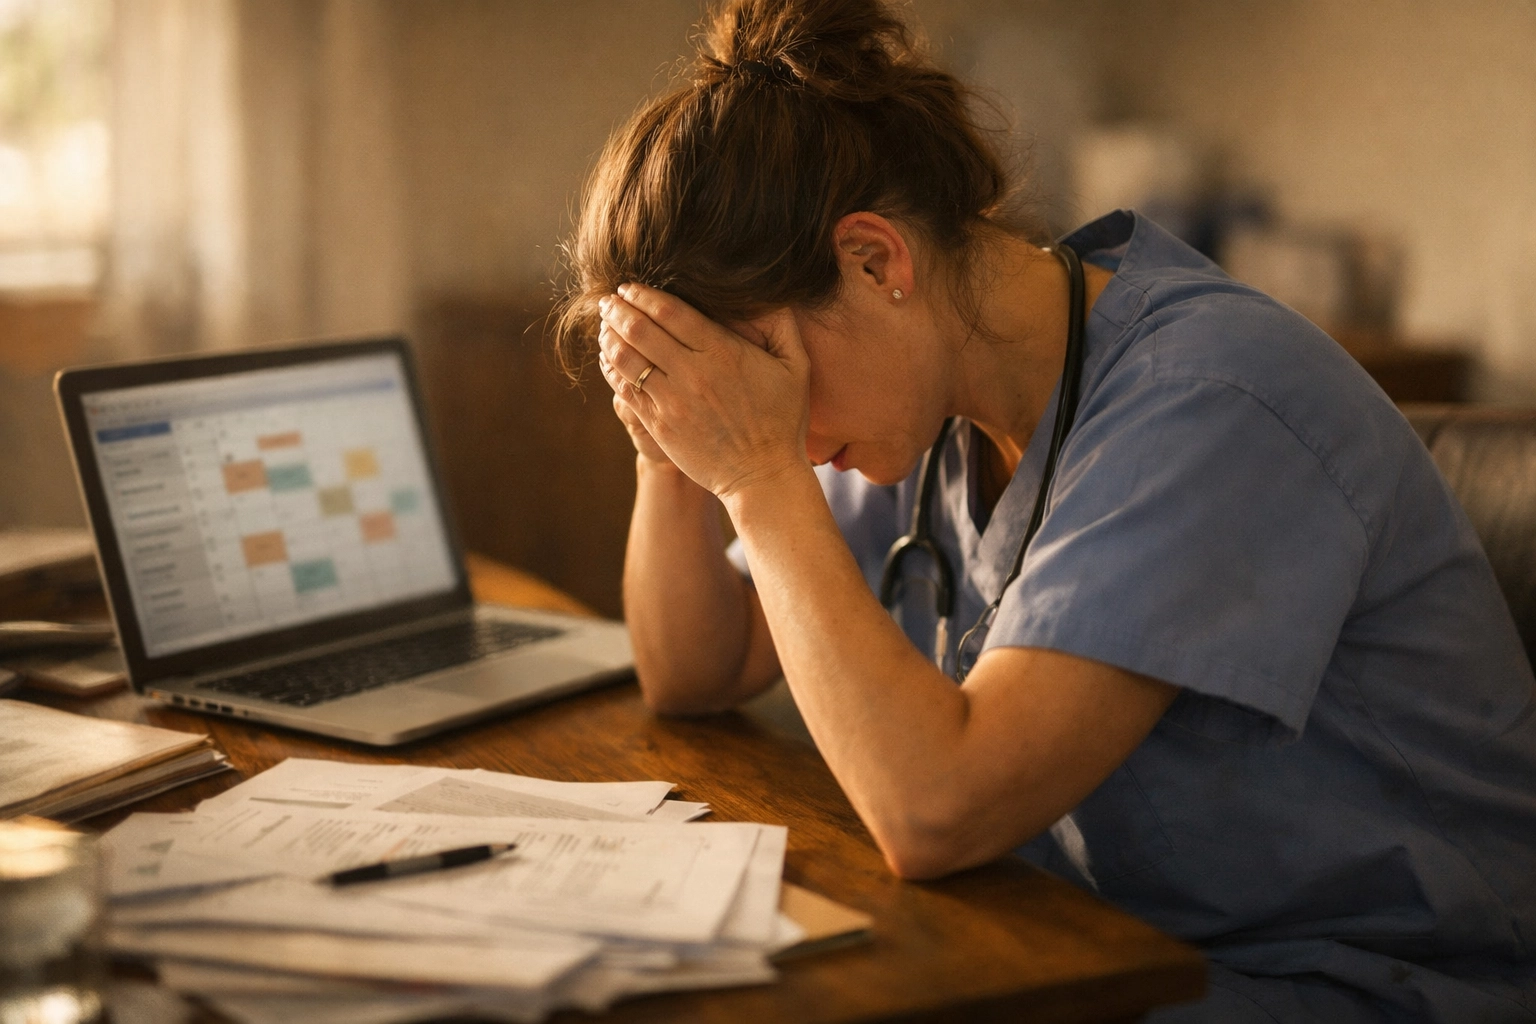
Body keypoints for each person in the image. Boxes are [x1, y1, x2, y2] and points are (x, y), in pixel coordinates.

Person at [552, 1, 1536, 1020]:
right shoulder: (915, 397)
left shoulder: (1208, 401)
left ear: (875, 261)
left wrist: (757, 478)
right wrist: (672, 438)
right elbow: (694, 671)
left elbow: (936, 808)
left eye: (758, 375)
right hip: (1081, 948)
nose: (779, 430)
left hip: (1365, 988)